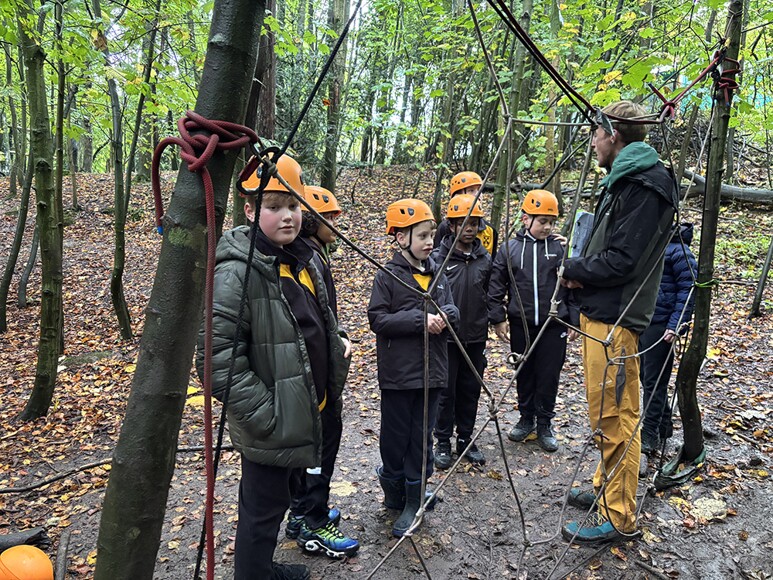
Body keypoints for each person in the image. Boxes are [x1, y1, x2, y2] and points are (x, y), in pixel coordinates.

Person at [197, 155, 356, 580]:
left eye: (293, 205)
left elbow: (316, 320)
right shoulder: (237, 272)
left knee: (282, 499)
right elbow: (216, 362)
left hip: (305, 412)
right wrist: (269, 417)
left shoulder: (303, 258)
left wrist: (336, 341)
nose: (287, 216)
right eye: (273, 206)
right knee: (262, 512)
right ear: (250, 210)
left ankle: (264, 570)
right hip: (272, 423)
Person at [560, 100, 678, 544]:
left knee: (616, 415)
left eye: (596, 133)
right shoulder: (626, 180)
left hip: (618, 319)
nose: (592, 141)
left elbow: (622, 260)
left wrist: (574, 270)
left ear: (613, 135)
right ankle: (604, 488)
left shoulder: (644, 186)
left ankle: (619, 514)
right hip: (603, 312)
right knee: (605, 411)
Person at [368, 198, 459, 537]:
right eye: (422, 236)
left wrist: (447, 316)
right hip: (398, 375)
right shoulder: (388, 276)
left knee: (422, 436)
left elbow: (451, 307)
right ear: (401, 238)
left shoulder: (438, 273)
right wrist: (420, 320)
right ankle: (394, 490)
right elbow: (378, 319)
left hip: (432, 374)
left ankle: (415, 497)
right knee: (395, 437)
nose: (430, 242)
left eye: (431, 235)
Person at [280, 185, 360, 558]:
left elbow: (324, 313)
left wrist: (337, 336)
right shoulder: (303, 257)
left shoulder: (313, 255)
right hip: (311, 379)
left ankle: (302, 512)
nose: (335, 224)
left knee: (318, 446)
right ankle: (313, 521)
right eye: (328, 217)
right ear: (311, 220)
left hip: (320, 370)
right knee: (319, 449)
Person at [488, 189, 571, 453]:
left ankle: (544, 423)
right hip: (521, 323)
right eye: (542, 221)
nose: (547, 227)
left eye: (551, 222)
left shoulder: (560, 248)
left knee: (548, 374)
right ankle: (526, 418)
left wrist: (574, 319)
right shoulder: (509, 249)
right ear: (525, 219)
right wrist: (498, 317)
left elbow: (573, 286)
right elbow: (496, 285)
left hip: (553, 325)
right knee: (524, 371)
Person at [432, 194, 492, 469]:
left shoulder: (485, 258)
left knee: (470, 389)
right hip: (447, 337)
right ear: (452, 225)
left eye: (474, 223)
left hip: (476, 335)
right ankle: (443, 440)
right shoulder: (437, 259)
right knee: (446, 391)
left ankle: (466, 438)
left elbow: (490, 292)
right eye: (463, 223)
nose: (469, 228)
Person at [639, 222, 697, 454]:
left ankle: (650, 433)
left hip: (661, 324)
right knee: (645, 376)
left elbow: (688, 290)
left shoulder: (680, 251)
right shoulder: (652, 245)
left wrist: (675, 325)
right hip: (643, 320)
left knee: (654, 381)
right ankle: (663, 425)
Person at [434, 171, 499, 258]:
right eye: (471, 190)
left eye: (480, 190)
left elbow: (492, 261)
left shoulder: (490, 230)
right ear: (457, 195)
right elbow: (436, 259)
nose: (478, 194)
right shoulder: (446, 227)